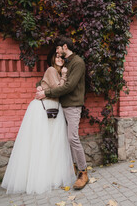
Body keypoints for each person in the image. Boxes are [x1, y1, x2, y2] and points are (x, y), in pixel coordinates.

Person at [1, 53, 76, 194]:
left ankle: (48, 178)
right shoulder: (51, 70)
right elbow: (56, 89)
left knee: (52, 146)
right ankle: (36, 179)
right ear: (52, 59)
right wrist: (64, 76)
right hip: (44, 109)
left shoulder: (56, 73)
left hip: (53, 109)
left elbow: (49, 86)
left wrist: (44, 87)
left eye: (62, 57)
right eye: (57, 57)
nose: (60, 59)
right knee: (40, 144)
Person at [35, 36, 88, 190]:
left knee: (72, 137)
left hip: (72, 105)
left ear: (64, 47)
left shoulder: (77, 62)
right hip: (60, 106)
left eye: (58, 49)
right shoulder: (67, 62)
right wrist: (40, 85)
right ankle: (71, 168)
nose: (57, 52)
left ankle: (83, 171)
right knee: (64, 139)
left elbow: (69, 86)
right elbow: (54, 75)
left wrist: (46, 93)